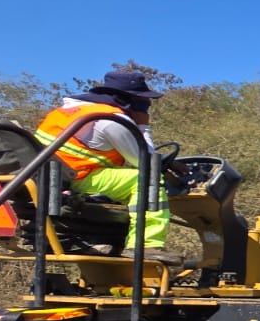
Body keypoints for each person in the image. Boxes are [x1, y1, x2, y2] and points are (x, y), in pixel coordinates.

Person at [35, 69, 181, 263]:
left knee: (127, 179)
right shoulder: (111, 120)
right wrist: (143, 127)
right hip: (75, 179)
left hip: (51, 178)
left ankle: (108, 239)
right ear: (129, 100)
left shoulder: (66, 112)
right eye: (143, 100)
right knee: (146, 180)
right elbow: (145, 162)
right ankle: (146, 245)